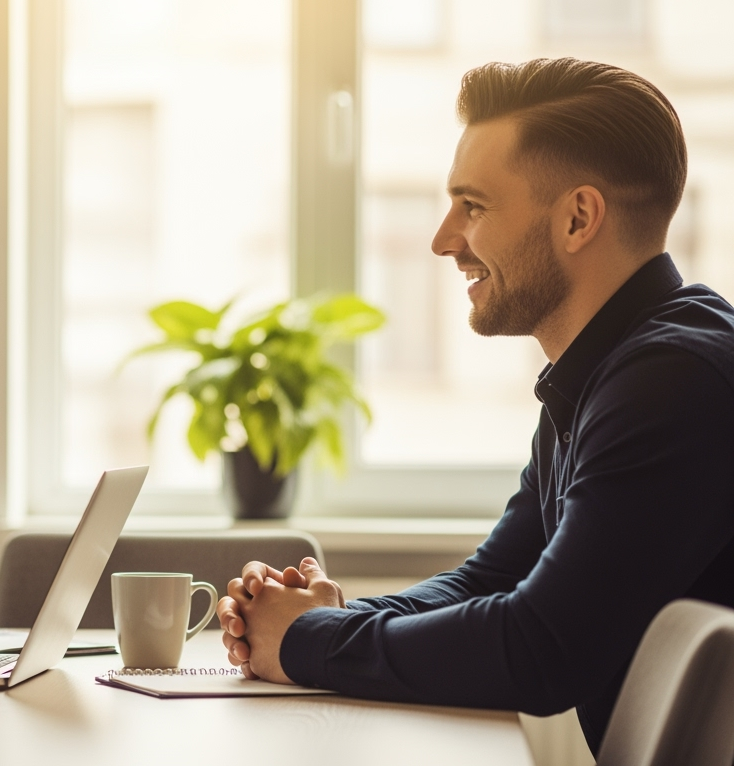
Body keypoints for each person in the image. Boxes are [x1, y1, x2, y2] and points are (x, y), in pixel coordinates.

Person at [218, 57, 734, 755]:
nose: (443, 239)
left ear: (578, 217)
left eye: (474, 206)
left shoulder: (671, 381)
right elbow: (493, 579)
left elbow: (540, 647)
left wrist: (308, 640)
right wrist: (321, 617)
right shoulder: (601, 374)